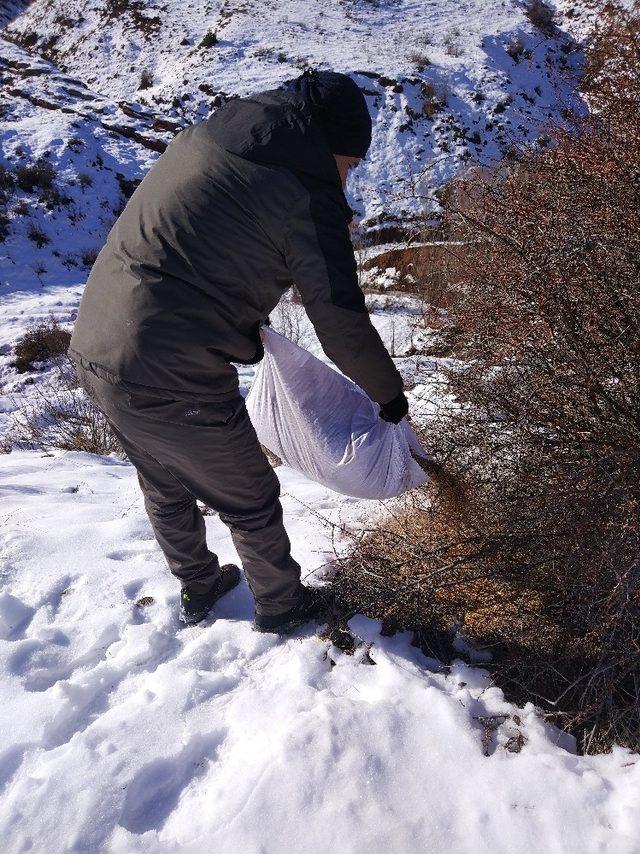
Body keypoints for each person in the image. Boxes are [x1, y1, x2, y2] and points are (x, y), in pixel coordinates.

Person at [68, 68, 408, 633]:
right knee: (251, 497)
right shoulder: (303, 195)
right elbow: (339, 316)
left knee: (164, 480)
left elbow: (199, 248)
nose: (347, 180)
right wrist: (388, 396)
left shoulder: (207, 138)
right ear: (329, 149)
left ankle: (199, 585)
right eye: (349, 165)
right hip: (170, 366)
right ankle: (282, 605)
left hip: (97, 345)